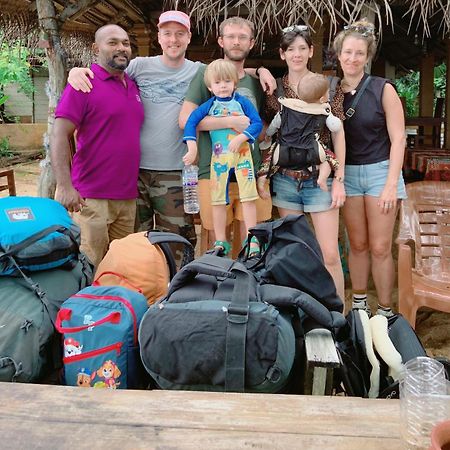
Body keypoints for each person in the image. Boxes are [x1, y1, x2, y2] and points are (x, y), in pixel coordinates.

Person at [67, 11, 275, 259]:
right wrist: (77, 71)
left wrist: (261, 69)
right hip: (135, 173)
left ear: (188, 38)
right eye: (167, 34)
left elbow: (230, 72)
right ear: (158, 37)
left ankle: (175, 292)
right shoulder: (138, 66)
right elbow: (107, 69)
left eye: (179, 34)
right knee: (136, 243)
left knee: (178, 245)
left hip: (177, 171)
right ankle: (140, 291)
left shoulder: (200, 71)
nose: (173, 40)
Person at [257, 25, 347, 302]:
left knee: (329, 253)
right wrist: (259, 69)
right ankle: (303, 311)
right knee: (295, 251)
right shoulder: (273, 89)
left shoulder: (328, 87)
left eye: (302, 48)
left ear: (310, 51)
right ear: (282, 54)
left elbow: (338, 133)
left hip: (320, 177)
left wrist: (339, 180)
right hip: (285, 178)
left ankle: (337, 319)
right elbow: (267, 131)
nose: (297, 54)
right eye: (291, 49)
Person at [51, 24, 144, 267]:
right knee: (88, 267)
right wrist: (64, 185)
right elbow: (59, 134)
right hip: (91, 198)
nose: (121, 48)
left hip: (127, 197)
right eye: (112, 42)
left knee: (121, 268)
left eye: (125, 43)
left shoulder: (133, 86)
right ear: (95, 48)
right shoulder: (84, 84)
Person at [179, 17, 273, 252]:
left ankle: (249, 286)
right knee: (214, 243)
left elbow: (259, 126)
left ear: (251, 43)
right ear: (221, 41)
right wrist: (231, 121)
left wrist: (261, 70)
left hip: (248, 167)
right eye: (231, 36)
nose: (236, 42)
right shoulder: (208, 76)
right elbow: (186, 121)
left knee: (251, 240)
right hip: (212, 169)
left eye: (242, 37)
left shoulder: (255, 82)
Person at [332, 19, 407, 317]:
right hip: (348, 174)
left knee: (379, 247)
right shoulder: (332, 92)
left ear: (367, 56)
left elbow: (399, 138)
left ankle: (386, 309)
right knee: (358, 244)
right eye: (347, 52)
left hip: (380, 172)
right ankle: (361, 304)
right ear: (338, 55)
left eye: (359, 53)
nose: (352, 58)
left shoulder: (382, 88)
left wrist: (391, 184)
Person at [183, 59, 263, 256]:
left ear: (234, 83)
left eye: (227, 81)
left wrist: (242, 137)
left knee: (248, 197)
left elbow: (256, 123)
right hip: (219, 160)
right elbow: (190, 122)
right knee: (217, 200)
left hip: (243, 157)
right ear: (210, 86)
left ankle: (252, 238)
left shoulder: (241, 102)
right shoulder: (208, 106)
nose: (223, 86)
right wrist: (192, 148)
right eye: (218, 82)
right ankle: (220, 240)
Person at [260, 72, 341, 191]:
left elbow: (274, 125)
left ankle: (262, 179)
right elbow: (335, 127)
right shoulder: (322, 111)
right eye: (328, 93)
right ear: (323, 98)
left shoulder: (286, 108)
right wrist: (333, 116)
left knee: (268, 159)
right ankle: (322, 178)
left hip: (284, 147)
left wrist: (268, 135)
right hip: (312, 149)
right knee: (329, 160)